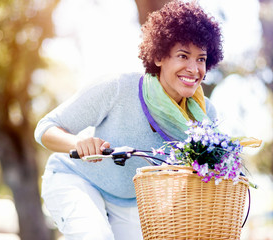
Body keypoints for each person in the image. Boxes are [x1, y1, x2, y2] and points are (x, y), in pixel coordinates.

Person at [34, 1, 223, 239]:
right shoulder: (120, 87)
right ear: (158, 56)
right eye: (183, 56)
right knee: (94, 235)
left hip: (132, 202)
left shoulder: (205, 117)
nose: (194, 68)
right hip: (76, 180)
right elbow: (45, 128)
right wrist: (78, 144)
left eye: (201, 59)